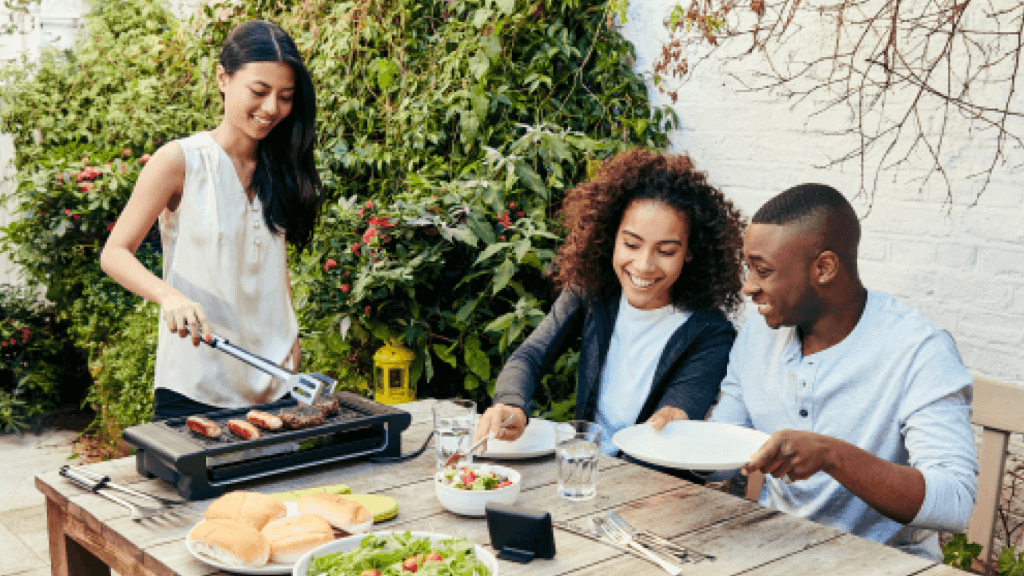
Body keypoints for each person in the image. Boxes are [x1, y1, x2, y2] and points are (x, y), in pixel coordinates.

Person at [696, 183, 976, 560]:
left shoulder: (919, 350)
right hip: (775, 555)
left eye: (763, 271)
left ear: (824, 268)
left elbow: (954, 502)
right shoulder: (757, 336)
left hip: (883, 564)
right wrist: (679, 436)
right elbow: (722, 451)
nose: (749, 288)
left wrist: (831, 455)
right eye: (749, 268)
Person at [100, 20, 324, 421]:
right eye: (259, 91)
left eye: (285, 96)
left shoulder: (282, 167)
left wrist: (290, 333)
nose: (272, 108)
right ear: (223, 78)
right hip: (195, 382)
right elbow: (115, 253)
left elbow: (274, 261)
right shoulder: (180, 161)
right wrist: (168, 295)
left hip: (275, 381)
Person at [475, 149, 746, 464]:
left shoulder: (710, 335)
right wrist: (510, 404)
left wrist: (676, 420)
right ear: (609, 237)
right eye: (631, 244)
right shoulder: (593, 294)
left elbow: (675, 419)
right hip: (581, 469)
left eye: (667, 251)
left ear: (690, 252)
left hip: (647, 490)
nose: (644, 266)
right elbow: (531, 356)